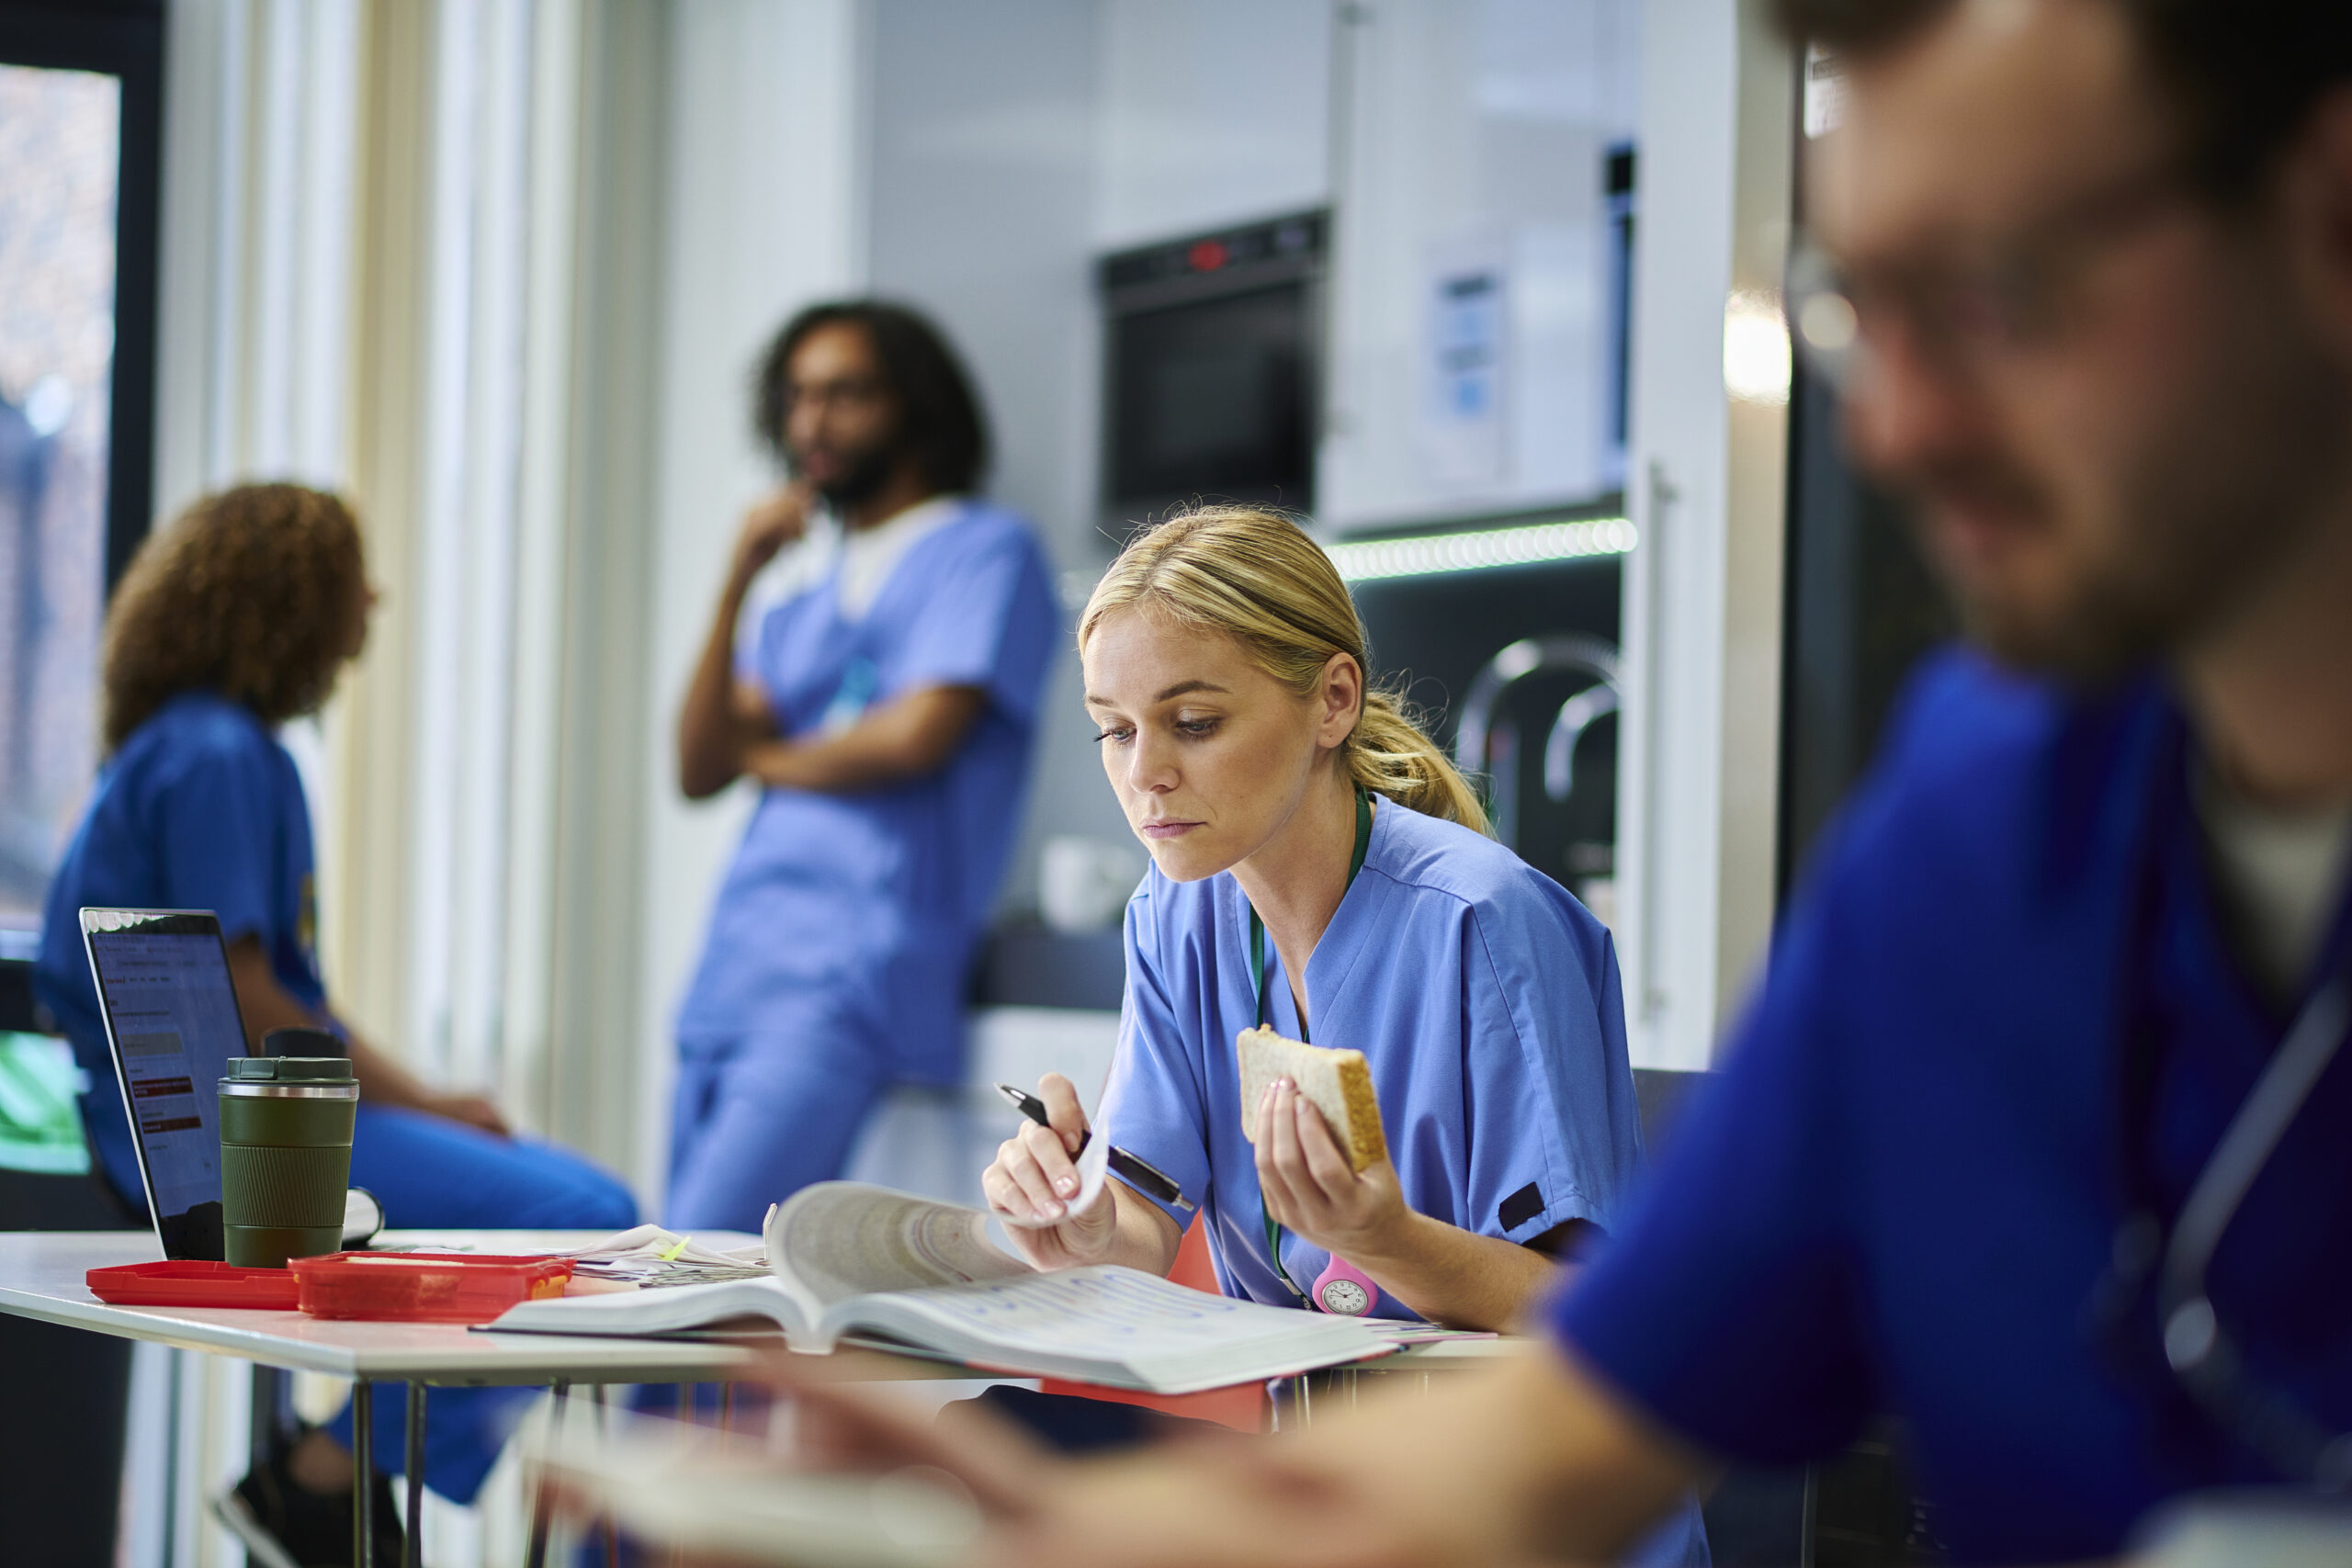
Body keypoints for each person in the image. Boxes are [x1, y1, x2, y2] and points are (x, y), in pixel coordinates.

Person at [743, 2, 2352, 1563]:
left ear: (2324, 211)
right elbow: (1568, 1428)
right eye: (1863, 308)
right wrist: (1061, 1531)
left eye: (2007, 290)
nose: (1898, 425)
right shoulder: (1976, 827)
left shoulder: (1491, 916)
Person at [978, 506, 1705, 1563]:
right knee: (990, 1442)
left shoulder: (1483, 922)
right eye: (1114, 729)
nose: (1144, 774)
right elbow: (1137, 1220)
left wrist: (1383, 1239)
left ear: (1331, 701)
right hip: (1337, 1503)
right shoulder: (1177, 912)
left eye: (1192, 723)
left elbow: (1587, 1315)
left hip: (1529, 1516)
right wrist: (1079, 1229)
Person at [33, 482, 638, 1567]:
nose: (376, 595)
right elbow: (258, 1003)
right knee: (591, 1222)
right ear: (292, 596)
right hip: (234, 1139)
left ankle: (327, 1478)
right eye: (354, 574)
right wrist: (432, 1100)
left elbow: (271, 993)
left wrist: (426, 1101)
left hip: (192, 1124)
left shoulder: (182, 744)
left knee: (556, 1222)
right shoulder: (224, 754)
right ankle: (318, 1480)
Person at [665, 300, 1055, 1232]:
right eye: (797, 397)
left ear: (914, 407)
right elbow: (696, 763)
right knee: (662, 1280)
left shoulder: (984, 551)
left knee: (705, 1290)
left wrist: (761, 755)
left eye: (846, 394)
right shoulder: (804, 588)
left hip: (843, 980)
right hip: (733, 971)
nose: (812, 423)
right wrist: (735, 580)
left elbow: (915, 738)